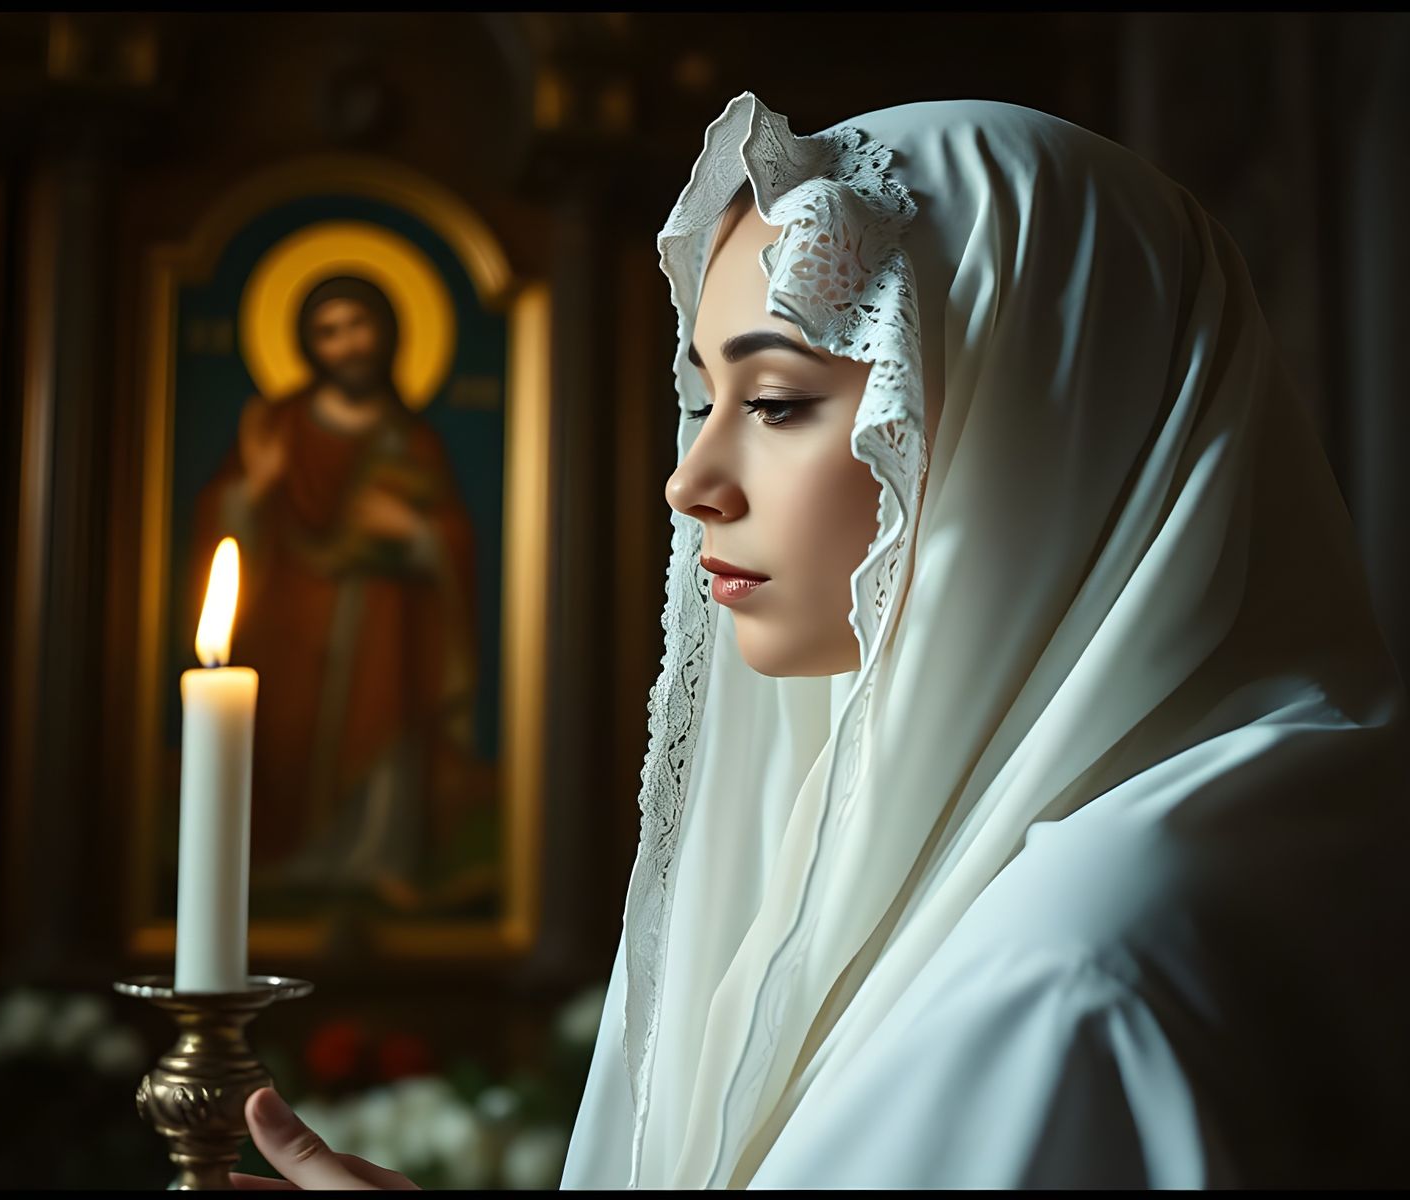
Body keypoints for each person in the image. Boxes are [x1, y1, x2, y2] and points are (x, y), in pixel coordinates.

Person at [231, 93, 1409, 1189]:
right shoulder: (1235, 809)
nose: (689, 481)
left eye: (780, 401)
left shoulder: (1076, 973)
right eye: (706, 399)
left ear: (1042, 422)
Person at [190, 274, 481, 907]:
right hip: (292, 621)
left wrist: (415, 532)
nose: (347, 345)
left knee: (386, 730)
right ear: (307, 344)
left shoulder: (412, 438)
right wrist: (256, 489)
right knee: (288, 736)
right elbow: (224, 521)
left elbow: (453, 537)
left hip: (386, 619)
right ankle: (291, 858)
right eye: (329, 332)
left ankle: (380, 861)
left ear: (386, 333)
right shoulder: (280, 427)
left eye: (359, 326)